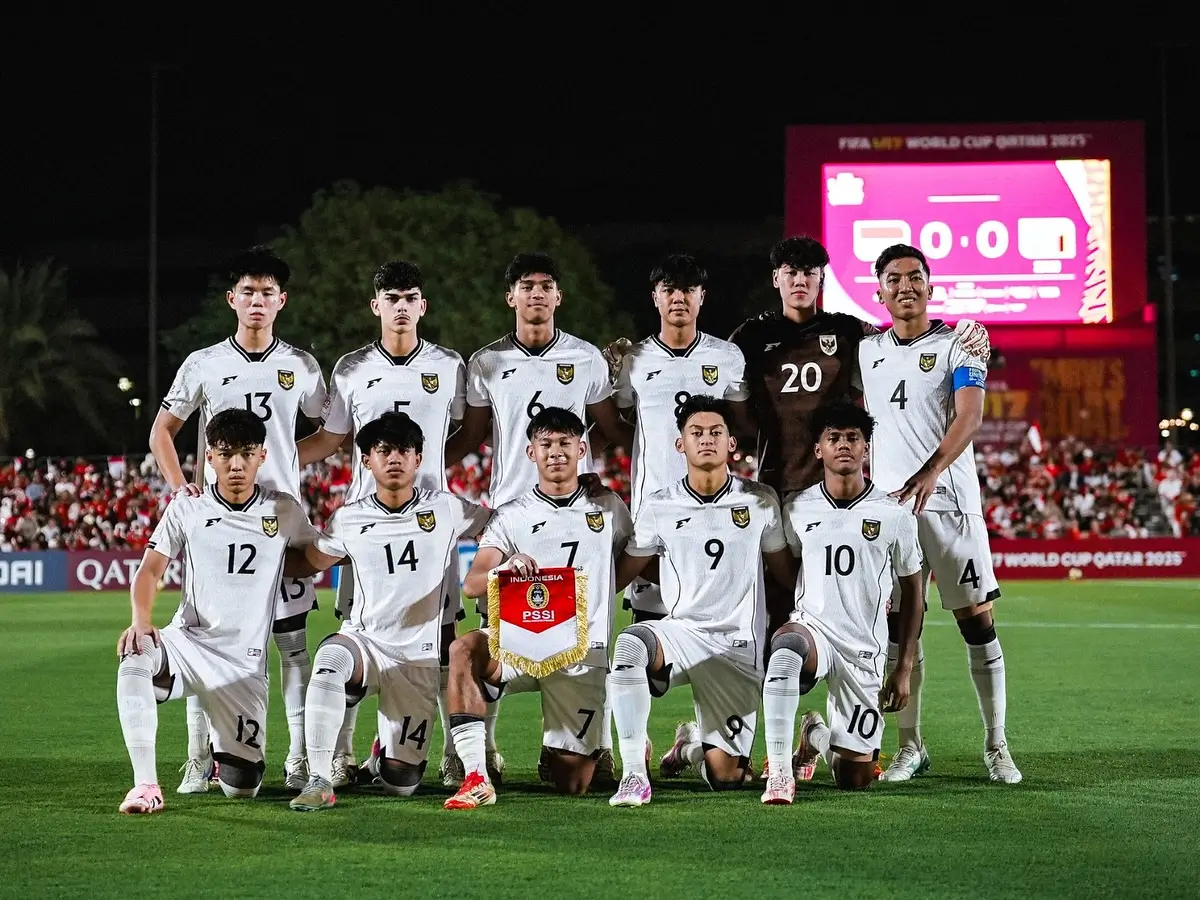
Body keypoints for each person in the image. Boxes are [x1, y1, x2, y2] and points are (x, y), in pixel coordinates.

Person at [726, 234, 990, 781]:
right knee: (775, 627)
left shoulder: (849, 333)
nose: (801, 281)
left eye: (811, 272)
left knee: (862, 620)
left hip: (844, 503)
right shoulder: (750, 337)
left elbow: (908, 341)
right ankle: (756, 744)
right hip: (779, 501)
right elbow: (728, 401)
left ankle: (838, 733)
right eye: (790, 272)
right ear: (776, 279)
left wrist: (968, 334)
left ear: (822, 280)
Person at [445, 253, 631, 782]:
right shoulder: (485, 362)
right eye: (526, 286)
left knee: (590, 625)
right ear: (511, 296)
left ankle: (594, 743)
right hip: (514, 513)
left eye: (546, 286)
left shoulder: (587, 358)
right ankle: (481, 752)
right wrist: (422, 473)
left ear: (558, 296)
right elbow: (474, 434)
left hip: (577, 506)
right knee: (497, 632)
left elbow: (609, 429)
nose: (536, 295)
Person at [150, 245, 328, 792]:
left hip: (277, 521)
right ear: (233, 299)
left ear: (282, 301)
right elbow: (162, 431)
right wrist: (184, 491)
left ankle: (299, 758)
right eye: (248, 291)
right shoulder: (204, 362)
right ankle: (197, 758)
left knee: (292, 643)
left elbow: (330, 432)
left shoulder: (301, 365)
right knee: (207, 641)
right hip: (218, 523)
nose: (257, 300)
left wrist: (292, 464)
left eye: (267, 292)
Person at [297, 261, 468, 789]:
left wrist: (434, 479)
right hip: (364, 529)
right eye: (391, 297)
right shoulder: (350, 369)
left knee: (439, 635)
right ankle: (338, 757)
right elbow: (331, 439)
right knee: (355, 629)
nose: (400, 305)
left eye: (410, 297)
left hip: (430, 523)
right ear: (376, 306)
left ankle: (453, 752)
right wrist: (275, 465)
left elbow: (462, 432)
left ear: (422, 306)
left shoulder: (449, 364)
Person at [858, 243, 1021, 784]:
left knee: (976, 623)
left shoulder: (961, 344)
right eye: (894, 279)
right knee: (901, 628)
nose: (905, 286)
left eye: (914, 277)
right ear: (878, 290)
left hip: (950, 504)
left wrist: (930, 471)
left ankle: (997, 746)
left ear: (930, 285)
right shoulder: (866, 351)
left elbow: (970, 417)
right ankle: (910, 746)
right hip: (891, 511)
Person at [282, 412, 491, 810]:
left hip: (418, 659)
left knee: (401, 783)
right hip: (366, 643)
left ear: (419, 459)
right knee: (330, 657)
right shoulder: (349, 518)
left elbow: (499, 526)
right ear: (366, 461)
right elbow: (308, 562)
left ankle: (383, 758)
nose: (394, 458)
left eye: (403, 450)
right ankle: (320, 778)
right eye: (383, 451)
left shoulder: (447, 509)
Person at [115, 409, 321, 814]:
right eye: (226, 454)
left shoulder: (283, 510)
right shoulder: (188, 507)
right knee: (136, 654)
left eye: (246, 453)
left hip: (243, 667)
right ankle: (145, 786)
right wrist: (140, 620)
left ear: (262, 455)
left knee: (242, 789)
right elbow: (150, 569)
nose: (237, 464)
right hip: (190, 644)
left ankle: (218, 742)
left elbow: (311, 555)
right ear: (210, 456)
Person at [606, 396, 797, 807]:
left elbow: (784, 572)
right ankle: (634, 775)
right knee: (629, 644)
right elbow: (621, 572)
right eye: (696, 433)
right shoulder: (658, 504)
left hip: (737, 648)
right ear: (681, 445)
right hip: (682, 633)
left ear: (732, 444)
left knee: (728, 778)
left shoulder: (760, 501)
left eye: (716, 433)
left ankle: (690, 745)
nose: (706, 440)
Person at [443, 407, 632, 809]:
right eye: (546, 444)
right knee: (463, 650)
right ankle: (476, 774)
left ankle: (573, 752)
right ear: (531, 452)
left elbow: (633, 559)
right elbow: (473, 582)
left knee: (573, 784)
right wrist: (504, 569)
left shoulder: (609, 507)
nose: (556, 452)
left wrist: (601, 592)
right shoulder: (512, 515)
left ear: (582, 449)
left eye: (565, 443)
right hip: (520, 641)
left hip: (582, 653)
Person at [760, 401, 925, 804]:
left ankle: (814, 734)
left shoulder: (894, 514)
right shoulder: (797, 507)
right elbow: (786, 571)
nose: (844, 445)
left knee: (855, 777)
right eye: (833, 438)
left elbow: (916, 595)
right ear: (819, 450)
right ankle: (780, 773)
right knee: (786, 649)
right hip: (814, 632)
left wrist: (902, 668)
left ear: (867, 448)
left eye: (853, 438)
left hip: (863, 652)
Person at [612, 253, 751, 623]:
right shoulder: (634, 359)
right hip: (652, 513)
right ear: (655, 297)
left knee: (718, 631)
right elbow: (618, 422)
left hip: (713, 511)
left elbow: (740, 424)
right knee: (649, 649)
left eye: (689, 289)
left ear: (702, 296)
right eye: (669, 289)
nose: (679, 298)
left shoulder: (727, 356)